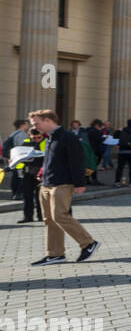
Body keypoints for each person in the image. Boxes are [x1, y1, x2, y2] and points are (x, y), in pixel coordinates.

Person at [29, 109, 99, 266]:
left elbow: (77, 161)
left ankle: (88, 243)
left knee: (60, 216)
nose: (35, 127)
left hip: (62, 184)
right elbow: (51, 160)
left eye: (37, 123)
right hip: (46, 184)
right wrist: (43, 173)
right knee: (49, 220)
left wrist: (80, 183)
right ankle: (55, 254)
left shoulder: (68, 137)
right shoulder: (49, 138)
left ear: (48, 120)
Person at [3, 119, 30, 200]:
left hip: (14, 158)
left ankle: (15, 193)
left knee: (16, 176)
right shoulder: (21, 134)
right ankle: (18, 194)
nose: (28, 126)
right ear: (22, 125)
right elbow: (21, 147)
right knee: (20, 176)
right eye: (26, 124)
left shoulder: (13, 134)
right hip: (19, 159)